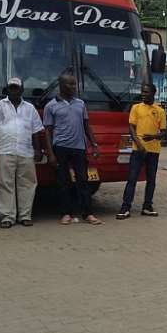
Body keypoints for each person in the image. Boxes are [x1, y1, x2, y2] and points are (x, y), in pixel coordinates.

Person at [0, 77, 44, 228]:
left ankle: (25, 216)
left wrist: (37, 149)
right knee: (4, 184)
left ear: (22, 90)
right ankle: (7, 217)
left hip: (26, 151)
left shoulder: (30, 108)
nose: (14, 90)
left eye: (16, 88)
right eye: (11, 88)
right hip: (4, 150)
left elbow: (36, 131)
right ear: (7, 89)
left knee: (27, 184)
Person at [43, 73, 103, 225]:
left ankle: (88, 214)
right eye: (70, 84)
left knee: (83, 181)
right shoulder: (50, 106)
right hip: (60, 148)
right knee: (64, 182)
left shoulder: (80, 104)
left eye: (74, 84)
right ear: (61, 85)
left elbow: (86, 125)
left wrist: (94, 144)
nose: (73, 87)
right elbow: (48, 131)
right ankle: (66, 213)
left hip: (79, 148)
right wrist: (50, 153)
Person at [116, 83, 166, 219]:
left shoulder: (160, 111)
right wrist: (139, 144)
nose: (143, 94)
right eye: (142, 92)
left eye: (146, 92)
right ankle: (125, 208)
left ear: (153, 93)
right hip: (138, 150)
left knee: (151, 179)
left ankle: (147, 207)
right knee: (132, 179)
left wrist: (153, 137)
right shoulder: (136, 108)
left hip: (154, 150)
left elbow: (163, 132)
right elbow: (131, 128)